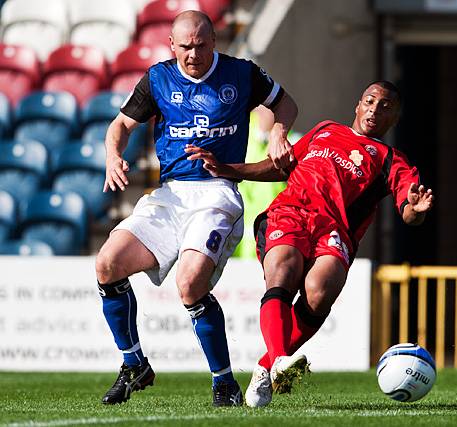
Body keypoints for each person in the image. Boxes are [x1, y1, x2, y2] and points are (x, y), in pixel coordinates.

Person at [185, 81, 434, 407]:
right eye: (370, 101)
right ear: (358, 106)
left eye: (385, 106)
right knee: (284, 271)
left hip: (335, 229)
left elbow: (408, 209)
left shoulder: (390, 159)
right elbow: (280, 168)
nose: (375, 109)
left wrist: (414, 212)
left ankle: (266, 367)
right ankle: (278, 361)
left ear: (395, 117)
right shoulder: (325, 130)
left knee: (319, 291)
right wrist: (230, 170)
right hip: (288, 214)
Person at [95, 10, 298, 407]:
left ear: (213, 42)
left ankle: (224, 382)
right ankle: (134, 363)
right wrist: (112, 157)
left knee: (189, 285)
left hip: (217, 191)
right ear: (172, 45)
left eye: (200, 45)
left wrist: (278, 131)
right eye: (185, 46)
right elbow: (119, 126)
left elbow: (286, 104)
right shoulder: (158, 78)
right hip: (170, 195)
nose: (192, 54)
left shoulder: (242, 74)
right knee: (106, 264)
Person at [233, 105, 301, 258]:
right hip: (236, 226)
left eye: (273, 106)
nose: (267, 111)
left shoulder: (293, 142)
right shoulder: (238, 131)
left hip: (273, 227)